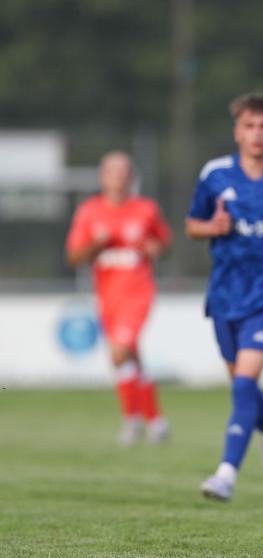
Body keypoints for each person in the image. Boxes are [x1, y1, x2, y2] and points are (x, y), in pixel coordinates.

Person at [186, 93, 263, 501]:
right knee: (243, 385)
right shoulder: (215, 174)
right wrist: (213, 227)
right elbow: (191, 225)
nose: (257, 133)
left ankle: (225, 474)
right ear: (238, 131)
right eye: (250, 126)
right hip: (224, 293)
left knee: (242, 385)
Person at [66, 151, 172, 445]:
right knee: (131, 357)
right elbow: (74, 257)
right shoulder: (89, 212)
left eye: (125, 170)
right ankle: (156, 420)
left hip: (138, 293)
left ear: (132, 177)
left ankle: (131, 420)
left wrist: (155, 248)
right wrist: (95, 244)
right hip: (107, 296)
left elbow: (163, 241)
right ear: (102, 177)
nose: (119, 176)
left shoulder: (146, 209)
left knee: (118, 352)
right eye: (113, 170)